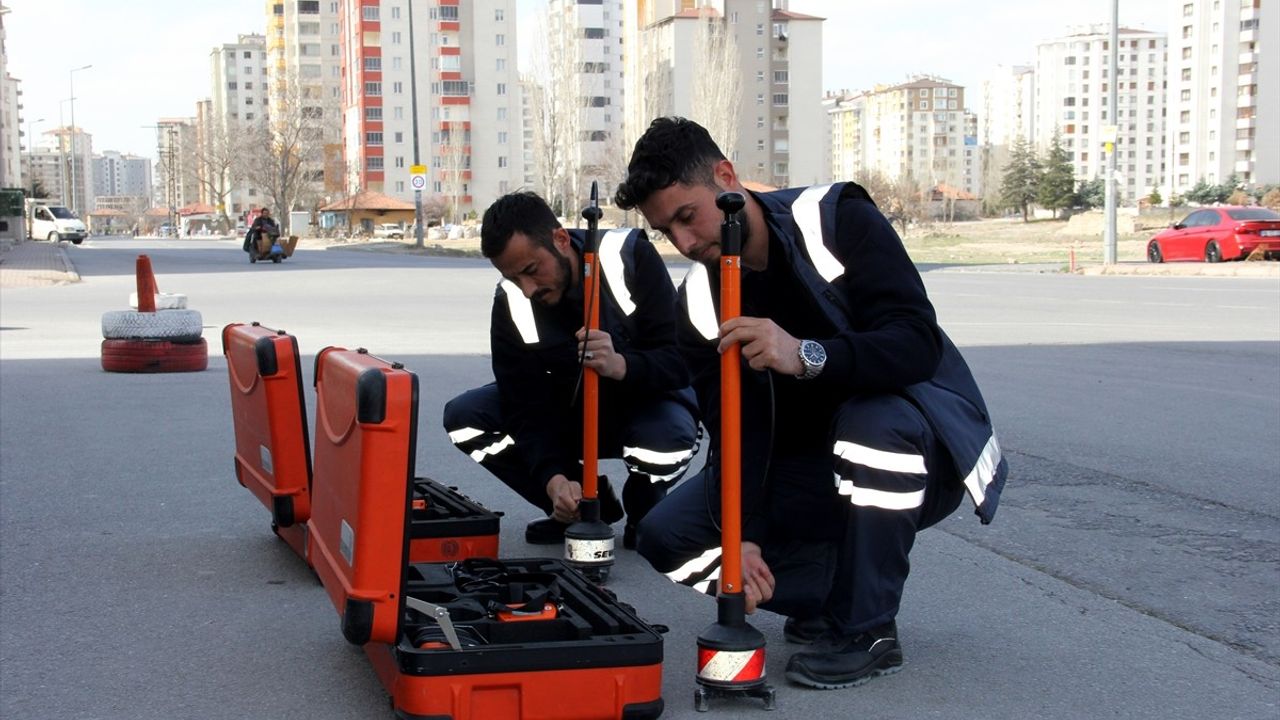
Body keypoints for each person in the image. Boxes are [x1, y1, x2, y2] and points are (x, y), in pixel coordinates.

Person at [613, 117, 1008, 690]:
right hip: (805, 470)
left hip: (918, 451)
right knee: (665, 534)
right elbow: (734, 427)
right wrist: (742, 532)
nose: (686, 243)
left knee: (868, 422)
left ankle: (869, 631)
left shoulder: (834, 219)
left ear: (727, 178)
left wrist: (807, 354)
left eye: (687, 216)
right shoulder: (700, 300)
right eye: (664, 231)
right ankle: (832, 598)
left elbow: (916, 343)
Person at [442, 191, 700, 549]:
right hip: (570, 409)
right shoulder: (514, 299)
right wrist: (553, 478)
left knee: (666, 440)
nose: (527, 289)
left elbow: (682, 363)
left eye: (532, 270)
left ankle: (644, 508)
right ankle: (580, 506)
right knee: (465, 416)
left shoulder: (627, 258)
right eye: (515, 278)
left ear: (560, 239)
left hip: (645, 405)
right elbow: (524, 403)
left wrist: (621, 363)